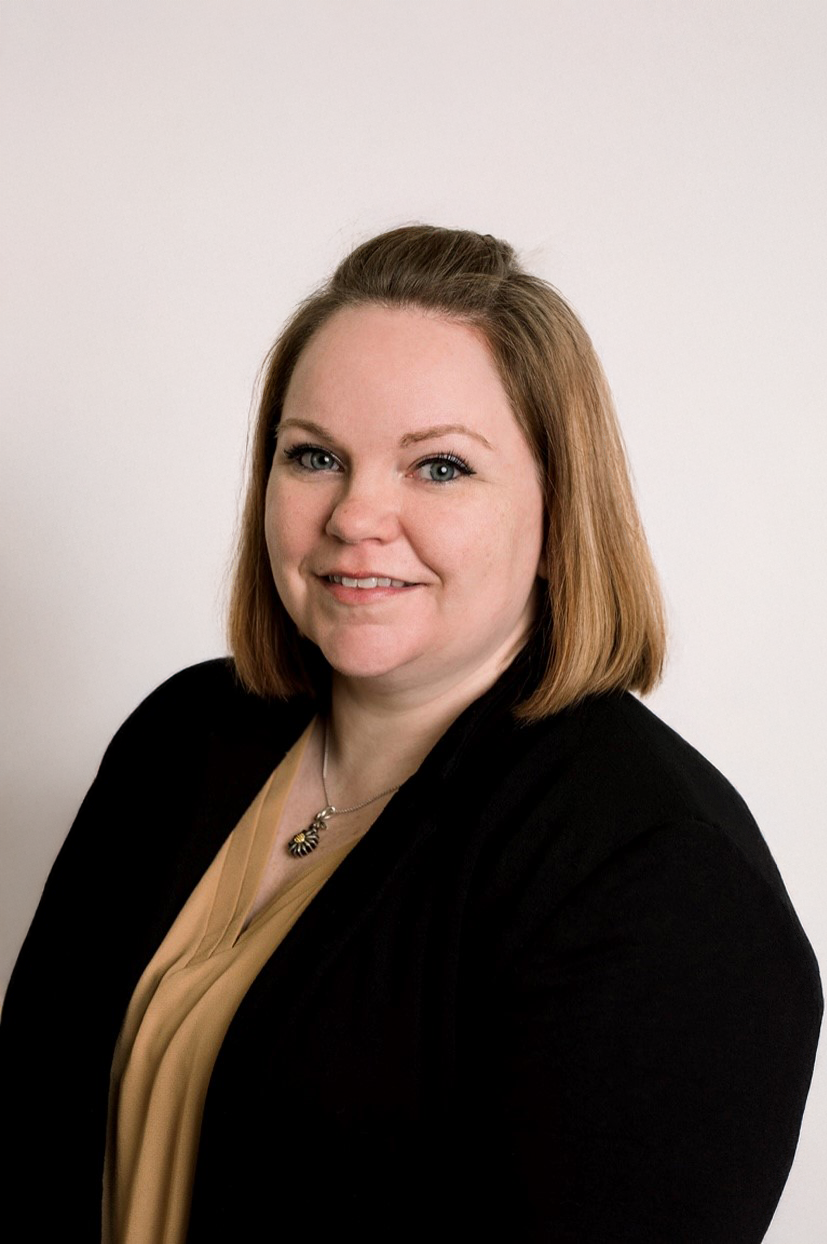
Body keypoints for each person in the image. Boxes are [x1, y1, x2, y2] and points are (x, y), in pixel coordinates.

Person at [1, 225, 821, 1243]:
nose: (355, 514)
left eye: (437, 466)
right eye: (313, 456)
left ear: (559, 510)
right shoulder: (182, 739)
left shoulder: (657, 875)